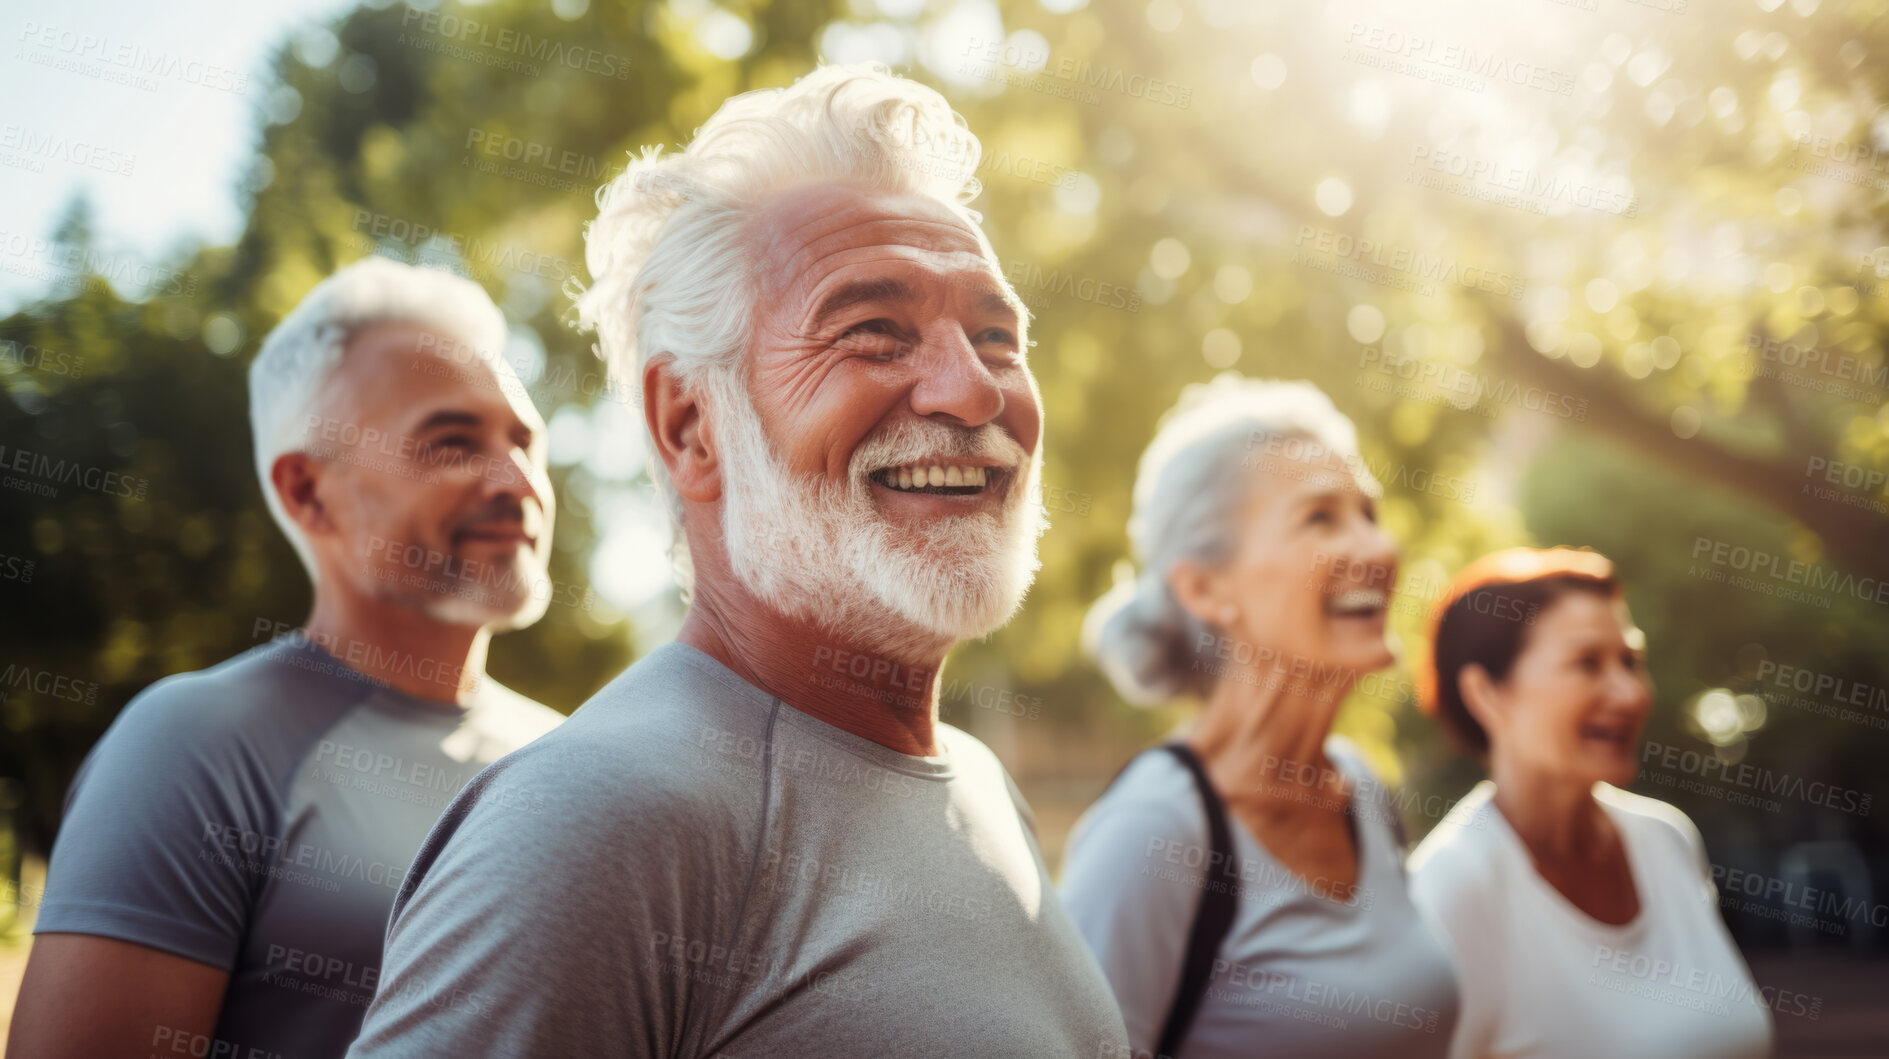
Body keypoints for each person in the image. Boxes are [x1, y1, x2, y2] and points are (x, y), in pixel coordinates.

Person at [346, 63, 1129, 1058]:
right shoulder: (589, 822)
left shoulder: (973, 780)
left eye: (994, 335)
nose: (971, 393)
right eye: (874, 333)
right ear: (690, 425)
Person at [11, 257, 566, 1059]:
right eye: (451, 442)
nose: (517, 479)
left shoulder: (568, 757)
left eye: (524, 440)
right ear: (308, 491)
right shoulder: (192, 746)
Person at [1060, 375, 1460, 1059]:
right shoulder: (1151, 829)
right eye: (1320, 518)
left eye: (1369, 512)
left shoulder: (1361, 790)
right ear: (1205, 587)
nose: (1375, 549)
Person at [1407, 547, 1774, 1059]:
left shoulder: (1666, 839)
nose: (1628, 694)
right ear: (1486, 693)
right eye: (1587, 663)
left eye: (1631, 661)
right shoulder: (1451, 886)